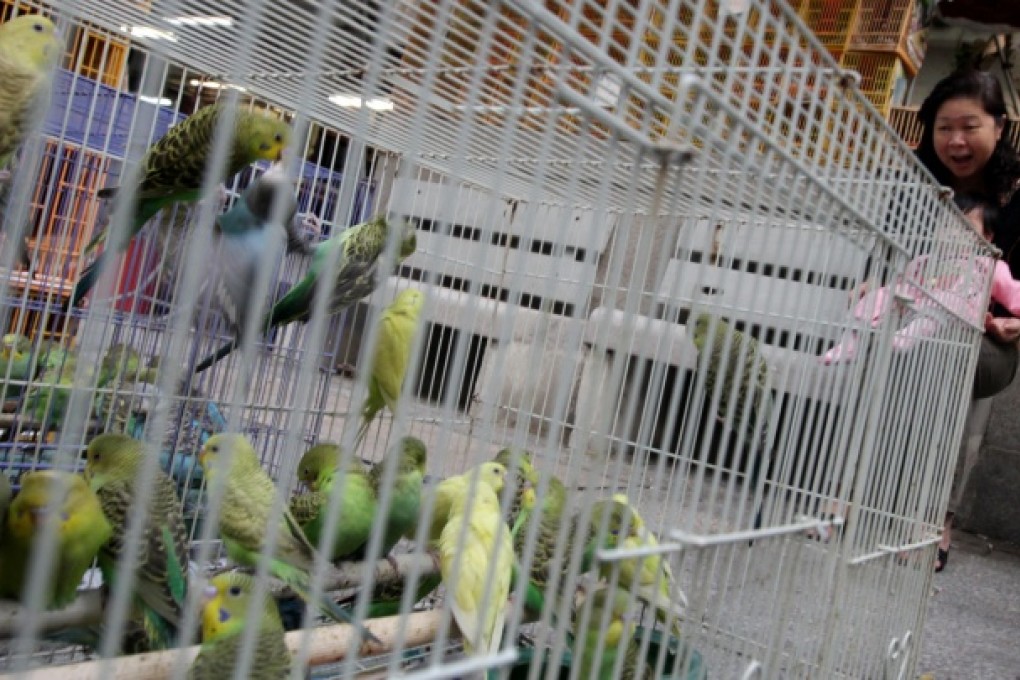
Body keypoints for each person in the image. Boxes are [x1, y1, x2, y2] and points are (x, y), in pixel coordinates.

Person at [915, 69, 1020, 572]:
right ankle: (848, 492)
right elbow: (887, 253)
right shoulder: (916, 183)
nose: (955, 141)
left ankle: (939, 516)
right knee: (889, 340)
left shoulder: (1018, 198)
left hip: (991, 337)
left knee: (959, 355)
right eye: (943, 127)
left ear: (998, 127)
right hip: (918, 315)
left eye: (969, 126)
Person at [821, 195, 1020, 365]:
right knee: (883, 293)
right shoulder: (924, 261)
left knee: (947, 300)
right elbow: (905, 286)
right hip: (916, 312)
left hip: (959, 319)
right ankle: (852, 341)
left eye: (965, 227)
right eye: (947, 224)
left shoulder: (988, 265)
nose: (953, 232)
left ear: (987, 237)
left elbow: (1015, 293)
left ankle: (903, 339)